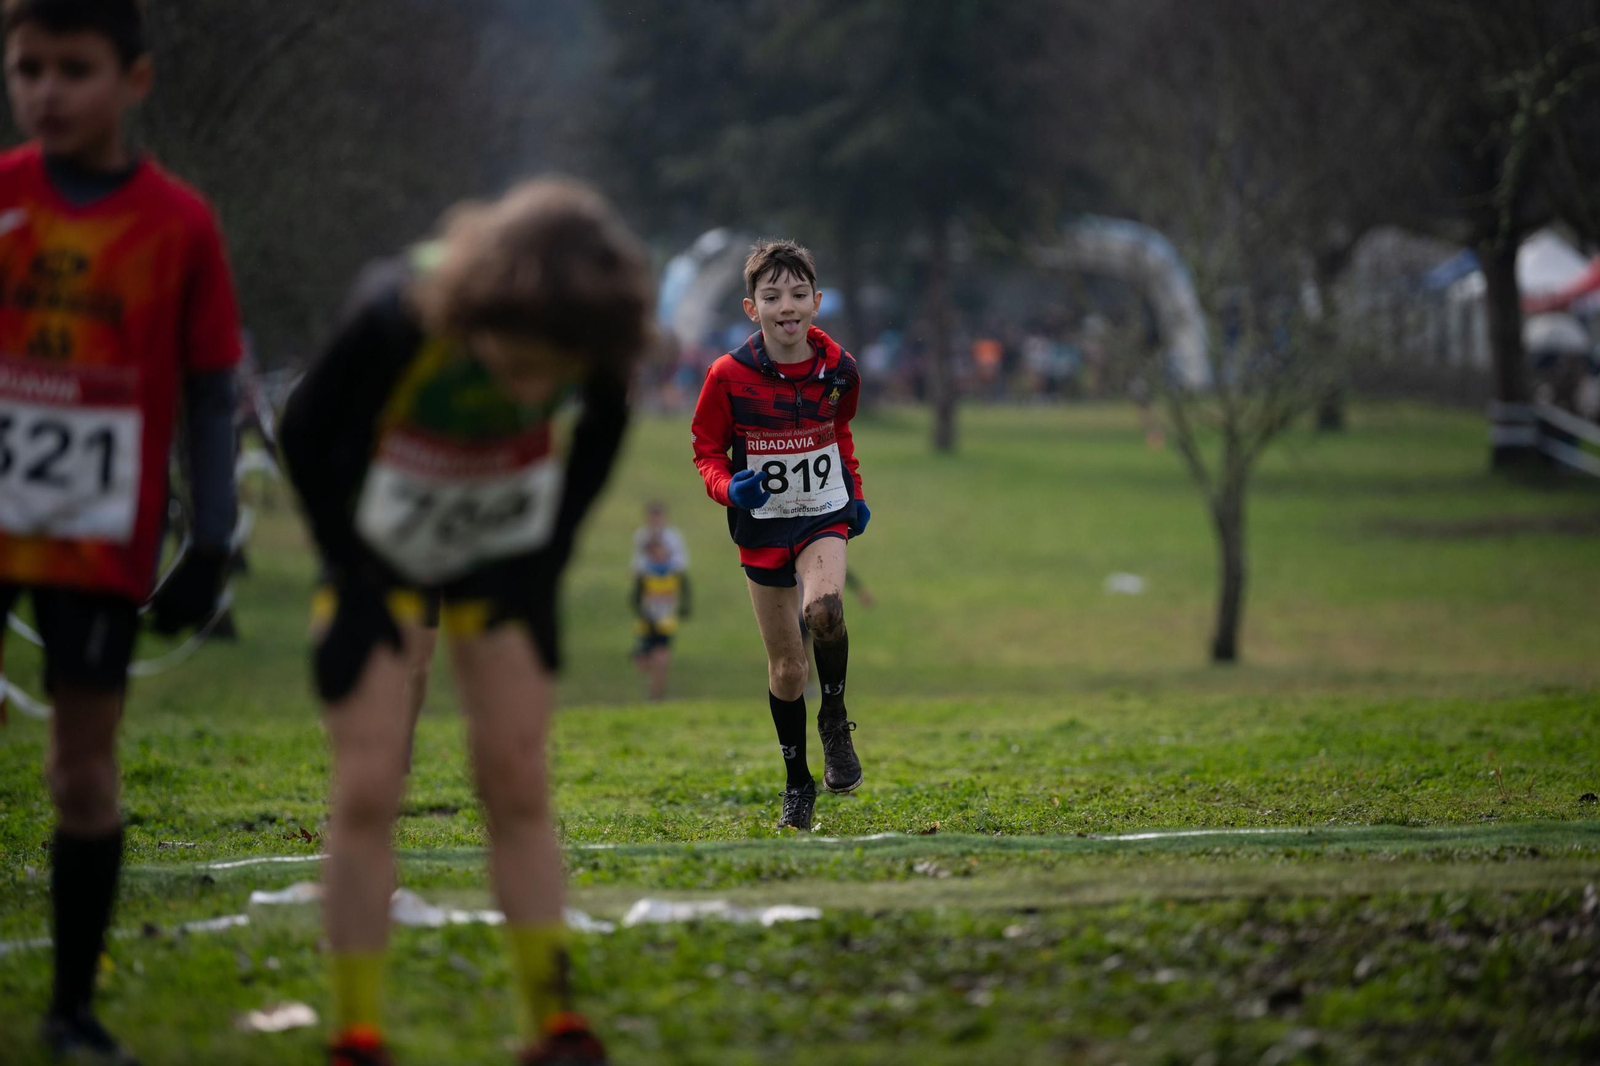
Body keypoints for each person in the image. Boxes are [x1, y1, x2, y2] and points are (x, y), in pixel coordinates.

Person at [278, 178, 651, 1066]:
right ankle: (357, 1033)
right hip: (381, 557)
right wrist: (348, 567)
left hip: (498, 558)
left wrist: (550, 560)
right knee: (369, 783)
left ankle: (554, 1024)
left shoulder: (587, 329)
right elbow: (302, 431)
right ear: (479, 312)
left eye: (546, 376)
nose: (529, 387)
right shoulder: (395, 316)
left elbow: (603, 430)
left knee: (517, 777)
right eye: (513, 362)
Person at [0, 1, 241, 1060]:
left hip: (99, 532)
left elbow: (209, 389)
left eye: (73, 69)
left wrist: (216, 538)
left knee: (80, 770)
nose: (46, 90)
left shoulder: (179, 223)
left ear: (133, 81)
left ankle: (70, 1009)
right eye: (27, 68)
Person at [690, 239, 869, 831]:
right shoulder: (727, 376)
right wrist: (727, 488)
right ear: (752, 308)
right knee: (788, 668)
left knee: (824, 611)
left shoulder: (840, 371)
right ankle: (799, 783)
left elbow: (838, 433)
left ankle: (835, 721)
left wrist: (856, 495)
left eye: (797, 294)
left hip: (822, 514)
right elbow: (707, 452)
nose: (786, 306)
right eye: (772, 297)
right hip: (762, 526)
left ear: (816, 302)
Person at [631, 535, 689, 701]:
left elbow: (684, 591)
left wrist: (683, 609)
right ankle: (652, 684)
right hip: (647, 624)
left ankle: (657, 693)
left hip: (665, 623)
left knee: (662, 658)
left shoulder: (674, 572)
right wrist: (645, 614)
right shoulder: (645, 574)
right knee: (644, 661)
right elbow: (635, 598)